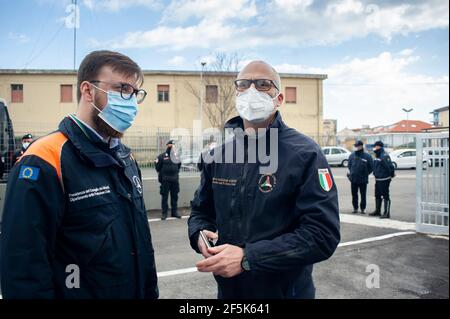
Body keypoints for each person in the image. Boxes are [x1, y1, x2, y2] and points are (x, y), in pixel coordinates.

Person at [0, 50, 158, 299]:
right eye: (122, 89)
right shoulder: (44, 159)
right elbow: (23, 268)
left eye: (135, 93)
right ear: (87, 91)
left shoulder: (126, 157)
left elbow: (142, 247)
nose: (130, 102)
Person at [187, 61, 340, 299]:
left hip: (287, 292)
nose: (251, 91)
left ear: (279, 99)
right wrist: (200, 233)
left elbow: (322, 235)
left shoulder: (305, 153)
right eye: (244, 84)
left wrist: (248, 258)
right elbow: (200, 211)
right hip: (230, 293)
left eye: (262, 84)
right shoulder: (218, 155)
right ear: (236, 94)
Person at [155, 140, 181, 220]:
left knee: (174, 197)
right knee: (164, 197)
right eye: (170, 145)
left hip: (174, 180)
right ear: (167, 146)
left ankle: (174, 212)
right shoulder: (161, 156)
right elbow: (157, 167)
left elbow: (178, 166)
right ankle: (164, 213)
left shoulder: (176, 156)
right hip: (165, 180)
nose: (172, 147)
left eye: (173, 145)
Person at [369, 140, 395, 219]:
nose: (374, 147)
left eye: (376, 146)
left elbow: (390, 167)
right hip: (378, 179)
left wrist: (391, 175)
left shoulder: (384, 155)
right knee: (377, 195)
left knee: (385, 196)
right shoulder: (377, 155)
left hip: (384, 179)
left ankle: (386, 213)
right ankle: (378, 210)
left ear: (379, 146)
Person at [347, 140, 373, 214]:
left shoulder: (367, 156)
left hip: (363, 179)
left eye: (357, 146)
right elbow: (349, 166)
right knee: (354, 194)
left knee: (363, 195)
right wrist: (351, 174)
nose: (356, 147)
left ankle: (363, 208)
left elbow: (371, 167)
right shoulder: (352, 155)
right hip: (353, 179)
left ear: (361, 146)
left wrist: (365, 174)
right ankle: (355, 208)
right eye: (355, 146)